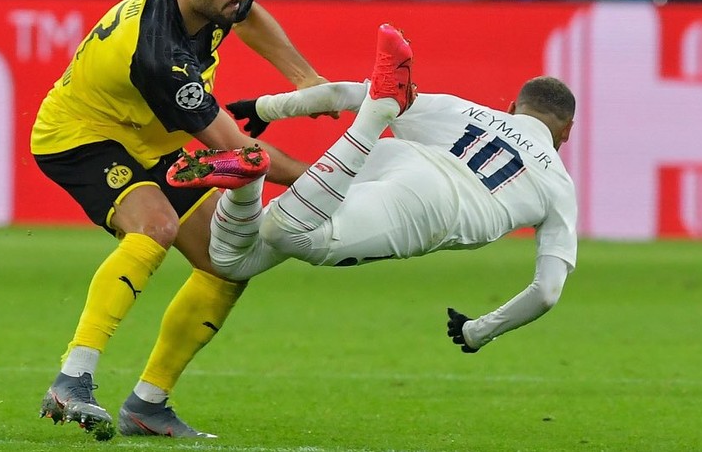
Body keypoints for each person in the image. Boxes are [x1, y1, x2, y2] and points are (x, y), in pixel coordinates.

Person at [31, 0, 327, 438]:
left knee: (229, 263)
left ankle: (149, 404)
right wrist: (322, 179)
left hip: (151, 138)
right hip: (80, 136)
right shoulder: (158, 55)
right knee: (155, 227)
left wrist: (305, 80)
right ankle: (72, 379)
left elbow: (249, 13)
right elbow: (238, 151)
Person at [176, 23, 578, 354]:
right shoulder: (559, 185)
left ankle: (244, 188)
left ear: (511, 108)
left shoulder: (466, 109)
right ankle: (266, 168)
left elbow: (348, 92)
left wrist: (267, 108)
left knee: (230, 261)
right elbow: (546, 291)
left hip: (390, 159)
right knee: (286, 231)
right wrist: (478, 331)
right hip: (430, 207)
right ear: (567, 131)